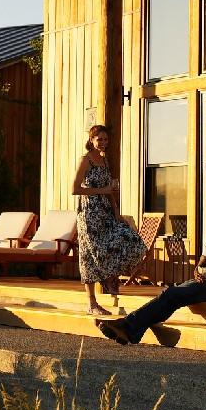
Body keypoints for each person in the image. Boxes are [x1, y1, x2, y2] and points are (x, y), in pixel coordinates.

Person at [95, 203, 206, 344]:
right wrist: (197, 272)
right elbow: (201, 264)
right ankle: (132, 331)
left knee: (172, 294)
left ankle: (127, 324)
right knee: (171, 296)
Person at [72, 125, 147, 316]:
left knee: (131, 239)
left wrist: (116, 212)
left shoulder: (105, 161)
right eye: (100, 140)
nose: (103, 143)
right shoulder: (86, 160)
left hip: (105, 211)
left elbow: (110, 190)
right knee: (89, 254)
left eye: (106, 140)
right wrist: (102, 191)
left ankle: (110, 276)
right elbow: (75, 189)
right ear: (92, 140)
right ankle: (92, 303)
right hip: (89, 214)